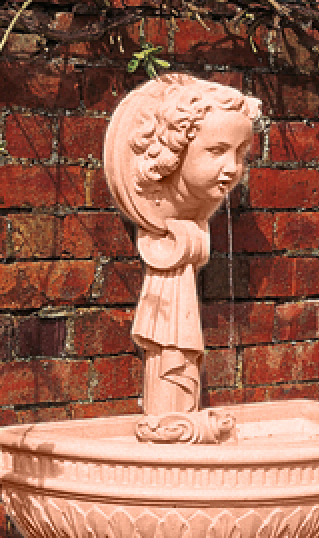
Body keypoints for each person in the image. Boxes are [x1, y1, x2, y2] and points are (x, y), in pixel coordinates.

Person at [104, 75, 260, 420]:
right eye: (217, 151)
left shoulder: (202, 203)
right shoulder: (147, 196)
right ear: (174, 148)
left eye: (241, 152)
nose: (232, 168)